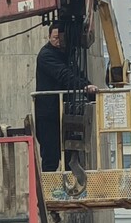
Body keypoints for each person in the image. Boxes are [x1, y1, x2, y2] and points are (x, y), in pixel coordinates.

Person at [34, 26, 97, 173]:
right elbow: (64, 75)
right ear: (49, 37)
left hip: (65, 110)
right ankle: (48, 191)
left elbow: (76, 73)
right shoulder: (46, 55)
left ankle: (73, 190)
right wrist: (84, 87)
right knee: (51, 155)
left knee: (71, 153)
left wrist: (89, 88)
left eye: (61, 38)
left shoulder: (68, 55)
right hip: (48, 114)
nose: (58, 41)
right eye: (55, 38)